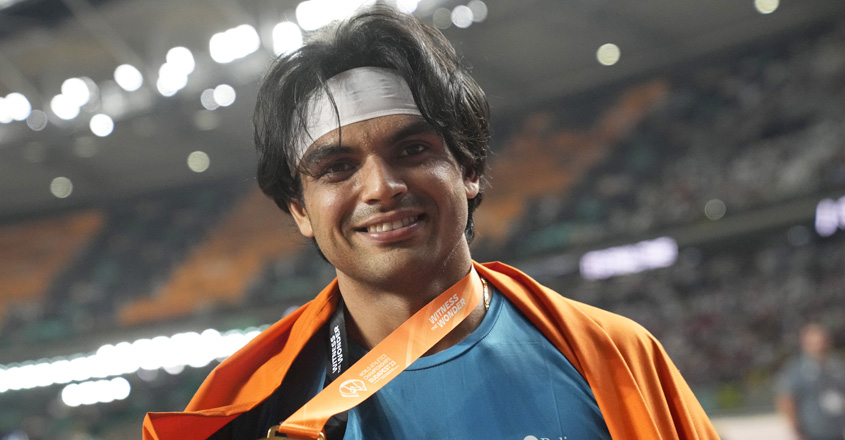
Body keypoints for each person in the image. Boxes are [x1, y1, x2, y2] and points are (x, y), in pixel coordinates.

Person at [142, 5, 718, 440]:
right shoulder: (245, 417)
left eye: (413, 150)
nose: (382, 187)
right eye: (338, 168)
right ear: (300, 211)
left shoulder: (616, 356)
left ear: (467, 168)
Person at [777, 323, 845, 440]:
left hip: (837, 431)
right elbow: (786, 400)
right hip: (812, 433)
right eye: (815, 343)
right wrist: (797, 430)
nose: (820, 347)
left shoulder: (837, 366)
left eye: (823, 342)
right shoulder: (796, 370)